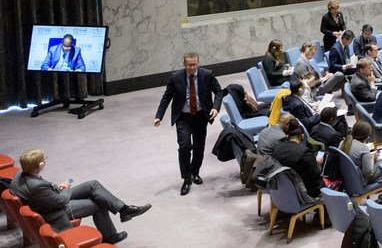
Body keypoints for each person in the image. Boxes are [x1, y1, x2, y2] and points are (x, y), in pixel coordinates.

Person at [10, 150, 150, 245]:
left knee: (92, 185)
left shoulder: (20, 175)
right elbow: (60, 201)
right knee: (99, 202)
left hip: (48, 200)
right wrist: (65, 189)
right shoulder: (36, 186)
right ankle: (110, 236)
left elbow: (43, 191)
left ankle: (124, 209)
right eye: (44, 159)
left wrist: (56, 188)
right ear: (40, 165)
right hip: (55, 211)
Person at [153, 52, 223, 195]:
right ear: (184, 65)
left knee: (199, 147)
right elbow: (166, 97)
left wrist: (215, 107)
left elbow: (219, 92)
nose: (192, 67)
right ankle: (186, 179)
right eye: (189, 65)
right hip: (183, 117)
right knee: (184, 146)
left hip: (200, 116)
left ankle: (195, 172)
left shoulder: (207, 74)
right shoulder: (176, 77)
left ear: (198, 63)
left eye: (195, 64)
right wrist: (159, 116)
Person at [271, 118, 324, 198]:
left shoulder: (277, 147)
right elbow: (315, 175)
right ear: (302, 136)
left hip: (282, 188)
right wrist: (316, 163)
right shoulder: (304, 152)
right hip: (304, 191)